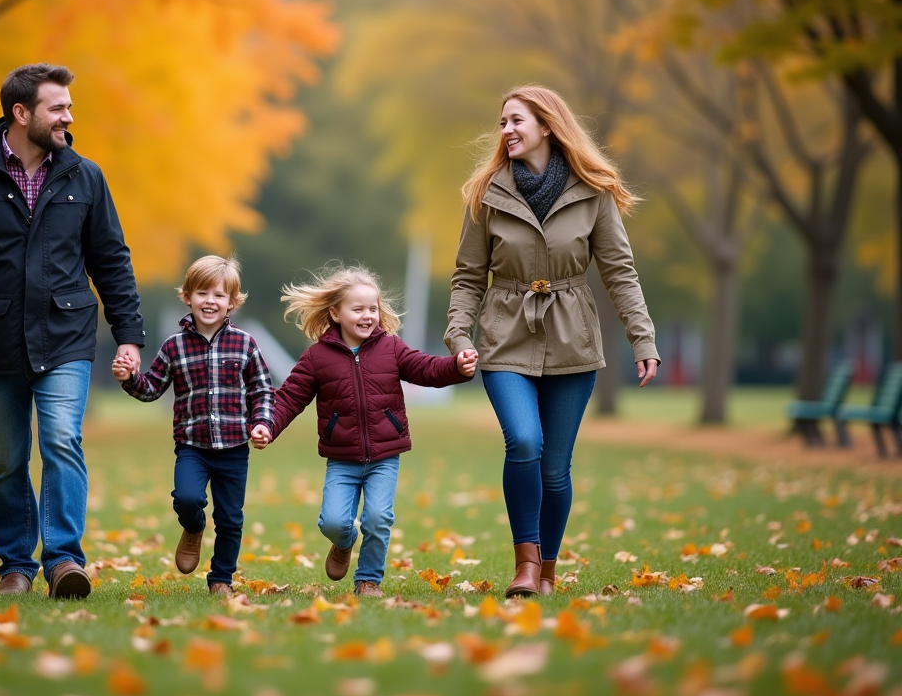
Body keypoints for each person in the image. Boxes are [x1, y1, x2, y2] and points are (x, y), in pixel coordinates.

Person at [0, 63, 145, 599]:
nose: (69, 116)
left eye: (69, 105)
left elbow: (111, 259)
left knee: (63, 440)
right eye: (58, 107)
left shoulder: (84, 176)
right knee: (7, 460)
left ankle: (65, 560)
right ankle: (15, 566)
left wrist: (129, 334)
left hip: (65, 334)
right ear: (21, 114)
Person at [445, 84, 660, 598]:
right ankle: (523, 566)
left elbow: (620, 272)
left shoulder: (594, 191)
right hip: (505, 336)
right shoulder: (485, 194)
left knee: (555, 469)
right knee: (523, 441)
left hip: (572, 339)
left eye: (516, 120)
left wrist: (643, 338)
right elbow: (468, 276)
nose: (506, 131)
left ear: (547, 125)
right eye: (502, 122)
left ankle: (546, 570)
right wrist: (457, 334)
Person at [254, 265, 477, 597]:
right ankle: (343, 544)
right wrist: (267, 425)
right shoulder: (316, 358)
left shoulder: (391, 347)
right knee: (333, 522)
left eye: (372, 308)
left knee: (377, 518)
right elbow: (289, 397)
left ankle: (368, 579)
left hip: (385, 456)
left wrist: (456, 366)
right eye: (358, 309)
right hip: (342, 459)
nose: (368, 316)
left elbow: (425, 368)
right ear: (335, 313)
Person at [111, 255, 273, 596]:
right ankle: (193, 528)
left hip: (233, 448)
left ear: (232, 302)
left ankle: (221, 581)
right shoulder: (174, 346)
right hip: (192, 447)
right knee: (187, 498)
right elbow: (152, 387)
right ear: (188, 296)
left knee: (230, 518)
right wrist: (130, 378)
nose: (209, 301)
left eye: (218, 295)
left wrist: (261, 423)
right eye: (202, 293)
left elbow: (261, 389)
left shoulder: (245, 344)